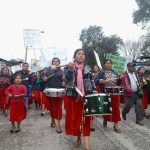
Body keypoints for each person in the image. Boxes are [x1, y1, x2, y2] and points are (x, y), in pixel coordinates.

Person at [64, 49, 97, 150]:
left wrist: (94, 94)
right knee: (76, 120)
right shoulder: (68, 67)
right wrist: (70, 70)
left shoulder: (88, 68)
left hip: (86, 97)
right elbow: (65, 81)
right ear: (75, 56)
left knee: (86, 120)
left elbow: (92, 82)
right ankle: (78, 138)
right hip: (73, 98)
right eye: (79, 54)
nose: (81, 55)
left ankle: (87, 146)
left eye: (83, 54)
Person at [95, 59, 122, 133]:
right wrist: (100, 80)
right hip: (105, 93)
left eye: (109, 63)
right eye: (106, 63)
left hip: (115, 94)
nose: (108, 64)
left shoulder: (115, 72)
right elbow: (95, 81)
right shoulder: (101, 72)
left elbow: (119, 83)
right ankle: (105, 118)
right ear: (104, 64)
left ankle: (116, 125)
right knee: (107, 108)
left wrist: (120, 79)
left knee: (116, 109)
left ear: (111, 64)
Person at [43, 57, 64, 133]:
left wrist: (64, 82)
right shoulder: (48, 71)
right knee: (51, 107)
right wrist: (44, 78)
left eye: (57, 61)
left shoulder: (62, 71)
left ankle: (58, 125)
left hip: (59, 91)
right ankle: (52, 119)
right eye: (54, 61)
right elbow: (43, 77)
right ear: (52, 63)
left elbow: (65, 79)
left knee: (58, 108)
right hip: (49, 90)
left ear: (59, 63)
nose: (55, 63)